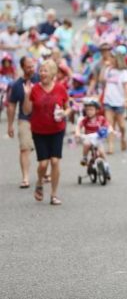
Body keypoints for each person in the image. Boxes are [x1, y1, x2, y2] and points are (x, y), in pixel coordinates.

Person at [22, 59, 71, 206]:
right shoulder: (34, 89)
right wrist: (26, 94)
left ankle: (54, 195)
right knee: (43, 164)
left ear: (53, 73)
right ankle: (39, 182)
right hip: (39, 130)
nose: (42, 73)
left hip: (57, 129)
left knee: (55, 161)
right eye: (41, 70)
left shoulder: (61, 88)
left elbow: (68, 107)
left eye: (45, 70)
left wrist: (64, 113)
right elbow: (26, 111)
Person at [7, 56, 38, 188]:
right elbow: (12, 105)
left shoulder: (41, 79)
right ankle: (25, 177)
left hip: (42, 118)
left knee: (44, 147)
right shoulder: (16, 85)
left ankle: (46, 172)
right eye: (28, 66)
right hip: (25, 118)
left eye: (32, 65)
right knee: (25, 148)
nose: (31, 68)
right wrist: (10, 125)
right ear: (23, 68)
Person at [100, 46, 127, 153]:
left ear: (117, 59)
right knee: (109, 124)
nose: (110, 59)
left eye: (112, 58)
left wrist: (126, 100)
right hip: (108, 101)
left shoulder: (123, 72)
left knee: (121, 125)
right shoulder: (108, 70)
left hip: (119, 101)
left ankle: (123, 138)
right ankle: (111, 146)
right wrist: (104, 67)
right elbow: (101, 80)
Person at [75, 98, 111, 170]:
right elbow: (78, 126)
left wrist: (109, 129)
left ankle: (107, 166)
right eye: (87, 110)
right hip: (88, 137)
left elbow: (107, 125)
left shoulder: (101, 119)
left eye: (91, 109)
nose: (89, 112)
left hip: (98, 138)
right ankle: (84, 157)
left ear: (97, 110)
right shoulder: (85, 120)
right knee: (87, 144)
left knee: (101, 152)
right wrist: (77, 133)